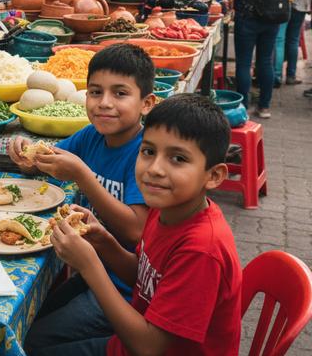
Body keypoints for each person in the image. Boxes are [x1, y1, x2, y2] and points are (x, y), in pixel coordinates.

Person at [46, 94, 241, 355]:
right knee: (34, 338)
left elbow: (149, 347)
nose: (155, 169)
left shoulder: (201, 250)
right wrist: (105, 242)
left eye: (178, 159)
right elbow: (145, 276)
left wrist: (89, 265)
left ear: (214, 175)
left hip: (141, 345)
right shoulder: (166, 212)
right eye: (148, 152)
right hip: (127, 342)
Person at [9, 44, 155, 352]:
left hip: (123, 288)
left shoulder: (145, 154)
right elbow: (55, 159)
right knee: (26, 318)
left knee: (31, 340)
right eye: (95, 92)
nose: (104, 103)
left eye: (120, 93)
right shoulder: (92, 135)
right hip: (95, 270)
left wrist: (82, 176)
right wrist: (30, 157)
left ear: (146, 103)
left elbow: (134, 229)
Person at [214, 0, 282, 118]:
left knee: (244, 64)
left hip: (249, 19)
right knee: (265, 62)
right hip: (272, 18)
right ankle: (264, 107)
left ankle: (242, 107)